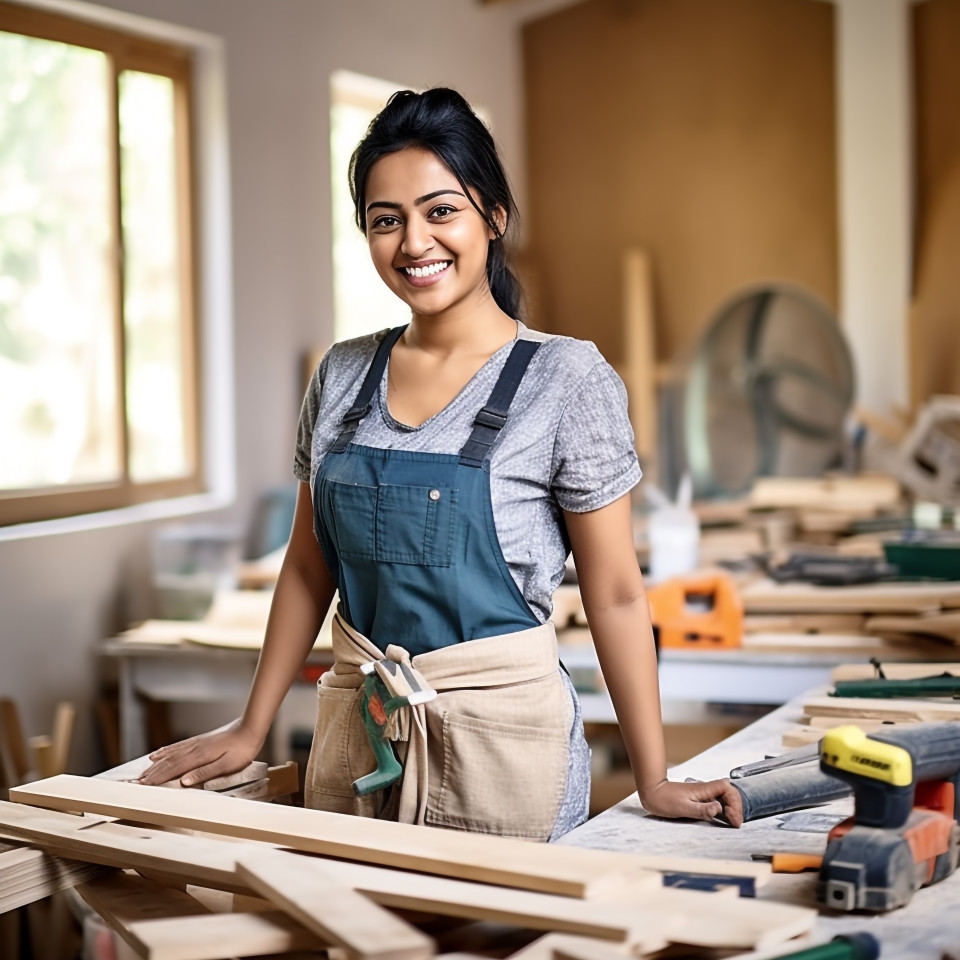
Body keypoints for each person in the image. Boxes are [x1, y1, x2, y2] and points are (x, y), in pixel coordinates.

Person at [139, 87, 742, 837]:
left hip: (505, 749)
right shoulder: (342, 373)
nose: (414, 242)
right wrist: (251, 727)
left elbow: (616, 592)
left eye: (440, 211)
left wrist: (652, 778)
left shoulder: (565, 379)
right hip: (359, 744)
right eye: (385, 221)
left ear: (493, 216)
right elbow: (305, 569)